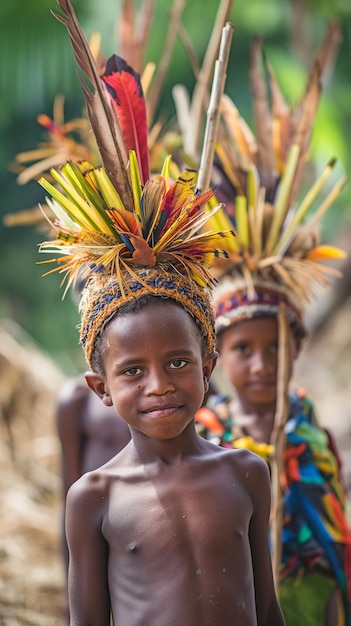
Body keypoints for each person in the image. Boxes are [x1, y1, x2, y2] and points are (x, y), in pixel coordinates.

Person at [195, 27, 351, 626]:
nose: (260, 365)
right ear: (216, 356)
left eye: (274, 348)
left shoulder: (312, 434)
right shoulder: (208, 435)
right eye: (244, 350)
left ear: (298, 347)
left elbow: (335, 543)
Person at [56, 375, 131, 624]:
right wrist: (71, 597)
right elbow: (69, 504)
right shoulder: (77, 398)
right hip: (103, 538)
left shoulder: (184, 388)